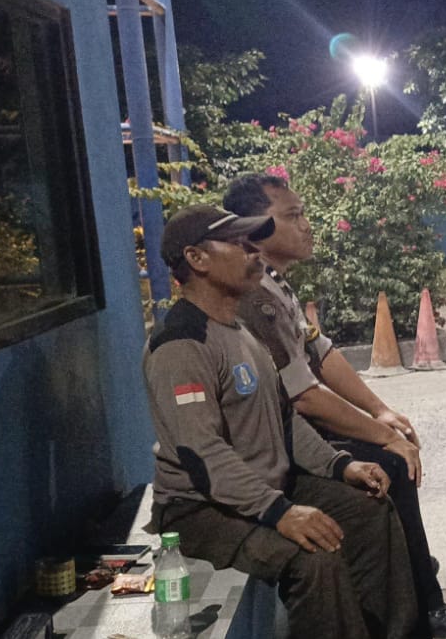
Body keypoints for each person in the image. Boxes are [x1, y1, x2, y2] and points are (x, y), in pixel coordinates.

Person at [222, 174, 446, 639]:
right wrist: (383, 436)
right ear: (252, 230)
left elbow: (321, 353)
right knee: (390, 465)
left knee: (391, 452)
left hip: (296, 430)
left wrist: (381, 412)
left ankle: (413, 574)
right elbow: (304, 396)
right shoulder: (255, 297)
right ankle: (423, 603)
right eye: (292, 216)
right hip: (279, 444)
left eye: (303, 213)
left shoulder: (276, 284)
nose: (306, 225)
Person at [142, 204, 418, 639]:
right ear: (196, 258)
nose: (255, 252)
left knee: (369, 509)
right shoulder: (182, 344)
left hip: (265, 488)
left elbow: (284, 418)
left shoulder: (240, 331)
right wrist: (279, 512)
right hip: (200, 509)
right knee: (313, 556)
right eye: (239, 243)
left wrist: (340, 465)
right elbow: (201, 454)